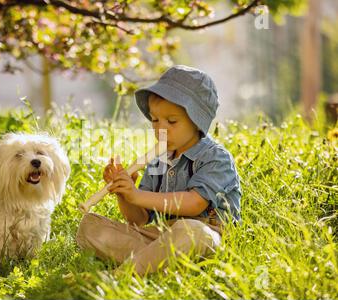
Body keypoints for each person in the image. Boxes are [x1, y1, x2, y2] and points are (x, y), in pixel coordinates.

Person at [76, 65, 242, 276]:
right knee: (90, 226)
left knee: (192, 233)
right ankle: (158, 262)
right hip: (162, 236)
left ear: (197, 122)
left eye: (171, 121)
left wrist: (138, 195)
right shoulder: (159, 161)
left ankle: (120, 275)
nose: (160, 128)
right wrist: (125, 193)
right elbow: (139, 220)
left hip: (207, 235)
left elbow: (193, 203)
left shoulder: (216, 157)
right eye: (155, 120)